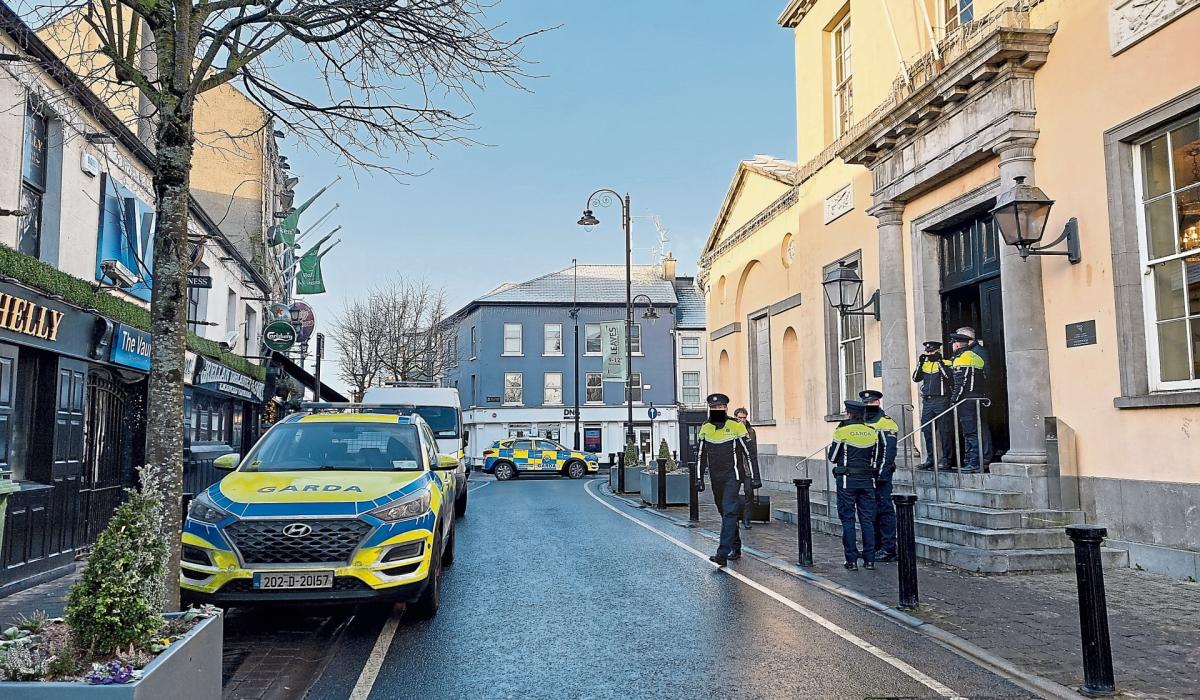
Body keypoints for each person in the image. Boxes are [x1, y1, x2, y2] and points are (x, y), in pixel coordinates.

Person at [696, 393, 755, 566]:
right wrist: (699, 478)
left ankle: (722, 553)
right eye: (713, 408)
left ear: (726, 408)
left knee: (729, 511)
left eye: (720, 407)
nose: (716, 410)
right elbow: (700, 455)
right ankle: (736, 546)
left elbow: (749, 453)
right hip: (716, 478)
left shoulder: (736, 426)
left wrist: (754, 477)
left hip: (733, 475)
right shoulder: (705, 427)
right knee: (725, 513)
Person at [828, 400, 886, 571]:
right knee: (867, 520)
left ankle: (851, 560)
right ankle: (870, 560)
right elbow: (876, 458)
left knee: (848, 520)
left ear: (849, 413)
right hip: (868, 481)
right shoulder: (871, 432)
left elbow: (833, 457)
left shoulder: (842, 431)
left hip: (847, 481)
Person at [859, 390, 899, 563]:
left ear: (878, 403)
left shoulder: (885, 422)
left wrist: (882, 472)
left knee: (885, 509)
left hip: (881, 472)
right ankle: (875, 546)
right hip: (866, 473)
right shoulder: (863, 421)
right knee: (871, 510)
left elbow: (888, 450)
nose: (869, 406)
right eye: (866, 403)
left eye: (872, 403)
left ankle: (888, 548)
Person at [949, 327, 991, 473]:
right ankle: (971, 461)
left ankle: (973, 462)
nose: (952, 346)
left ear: (958, 344)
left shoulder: (963, 359)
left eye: (953, 343)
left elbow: (961, 383)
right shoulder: (975, 357)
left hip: (965, 400)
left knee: (970, 432)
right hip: (977, 397)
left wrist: (954, 400)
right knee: (972, 431)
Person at [912, 340, 954, 471]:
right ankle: (930, 459)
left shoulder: (946, 362)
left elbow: (948, 377)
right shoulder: (924, 364)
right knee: (927, 431)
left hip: (941, 400)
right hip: (928, 401)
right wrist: (920, 363)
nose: (929, 353)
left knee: (944, 431)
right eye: (927, 351)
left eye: (932, 351)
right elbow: (915, 378)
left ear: (938, 351)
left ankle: (947, 459)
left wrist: (939, 362)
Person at [732, 408, 762, 529]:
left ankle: (746, 519)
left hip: (748, 469)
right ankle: (734, 519)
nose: (742, 420)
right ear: (735, 417)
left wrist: (756, 474)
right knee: (733, 494)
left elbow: (753, 453)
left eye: (744, 418)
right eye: (740, 417)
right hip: (736, 468)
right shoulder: (731, 430)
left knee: (749, 494)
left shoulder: (751, 431)